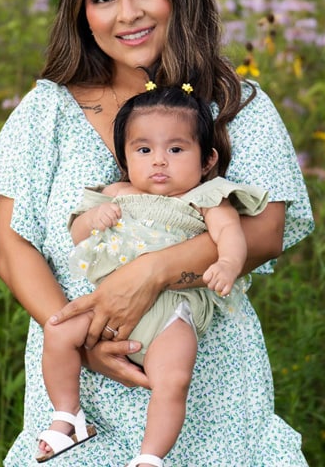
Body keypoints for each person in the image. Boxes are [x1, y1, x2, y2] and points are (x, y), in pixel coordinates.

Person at [0, 0, 314, 466]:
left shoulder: (235, 105)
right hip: (81, 397)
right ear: (81, 13)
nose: (127, 13)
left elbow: (267, 230)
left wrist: (149, 273)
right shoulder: (47, 111)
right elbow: (11, 250)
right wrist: (83, 340)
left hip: (210, 387)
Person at [36, 83, 269, 464]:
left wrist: (227, 263)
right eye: (144, 150)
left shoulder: (206, 196)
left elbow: (231, 234)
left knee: (173, 379)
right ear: (126, 158)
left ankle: (150, 456)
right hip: (108, 302)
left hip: (173, 309)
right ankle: (68, 415)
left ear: (207, 160)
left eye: (176, 149)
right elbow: (76, 231)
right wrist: (94, 218)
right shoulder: (114, 192)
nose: (159, 160)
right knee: (59, 330)